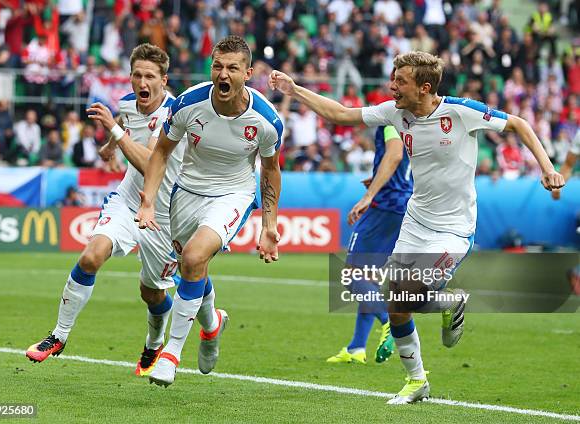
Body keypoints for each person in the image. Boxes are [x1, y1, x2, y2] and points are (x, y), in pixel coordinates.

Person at [269, 51, 564, 403]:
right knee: (397, 303)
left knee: (409, 290)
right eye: (394, 78)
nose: (392, 86)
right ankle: (417, 381)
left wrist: (547, 167)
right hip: (415, 220)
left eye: (401, 81)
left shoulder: (459, 111)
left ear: (424, 88)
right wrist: (295, 89)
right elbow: (341, 114)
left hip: (454, 228)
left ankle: (449, 303)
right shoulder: (395, 111)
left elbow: (518, 124)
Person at [26, 44, 186, 378]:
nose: (142, 82)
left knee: (152, 292)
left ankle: (155, 344)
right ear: (130, 77)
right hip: (129, 200)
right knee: (90, 257)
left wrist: (113, 131)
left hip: (164, 211)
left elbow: (149, 163)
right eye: (137, 75)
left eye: (150, 76)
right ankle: (59, 335)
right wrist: (110, 146)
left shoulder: (176, 114)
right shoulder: (128, 104)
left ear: (164, 80)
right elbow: (127, 128)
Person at [135, 35, 283, 387]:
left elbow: (271, 169)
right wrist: (148, 201)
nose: (223, 74)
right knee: (191, 264)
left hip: (233, 193)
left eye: (232, 68)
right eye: (218, 66)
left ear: (247, 73)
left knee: (193, 257)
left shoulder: (266, 120)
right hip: (187, 190)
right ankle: (212, 323)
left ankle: (171, 353)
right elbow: (161, 152)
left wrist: (269, 226)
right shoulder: (188, 104)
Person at [327, 124, 411, 366]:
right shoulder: (417, 125)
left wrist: (370, 195)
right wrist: (378, 179)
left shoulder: (391, 123)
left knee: (351, 277)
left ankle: (389, 321)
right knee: (369, 280)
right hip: (403, 206)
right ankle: (356, 347)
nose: (393, 85)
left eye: (398, 82)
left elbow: (394, 154)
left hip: (384, 207)